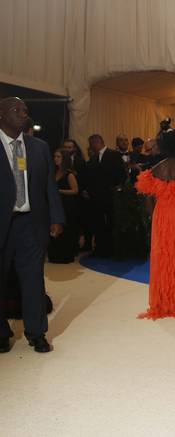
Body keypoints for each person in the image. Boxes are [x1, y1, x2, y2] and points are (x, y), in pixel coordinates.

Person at [0, 97, 64, 353]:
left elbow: (49, 186)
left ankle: (36, 333)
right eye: (16, 110)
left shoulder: (39, 147)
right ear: (1, 114)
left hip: (31, 224)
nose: (23, 114)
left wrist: (57, 217)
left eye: (25, 110)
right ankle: (2, 334)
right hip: (3, 224)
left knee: (33, 281)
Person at [136, 132, 175, 319]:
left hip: (160, 214)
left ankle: (162, 302)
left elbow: (147, 200)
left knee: (162, 255)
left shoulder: (154, 170)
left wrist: (155, 214)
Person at [85, 134, 126, 257]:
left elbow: (121, 174)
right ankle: (100, 249)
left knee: (112, 223)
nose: (91, 147)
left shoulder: (114, 155)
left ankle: (114, 249)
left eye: (92, 144)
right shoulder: (93, 159)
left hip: (111, 196)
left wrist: (117, 187)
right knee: (98, 223)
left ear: (97, 142)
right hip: (97, 197)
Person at [47, 149, 79, 263]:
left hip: (66, 205)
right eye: (55, 156)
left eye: (58, 157)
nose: (56, 159)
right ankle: (54, 255)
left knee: (65, 230)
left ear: (64, 159)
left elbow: (75, 190)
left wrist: (59, 191)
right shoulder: (53, 172)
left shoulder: (69, 174)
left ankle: (65, 255)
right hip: (55, 204)